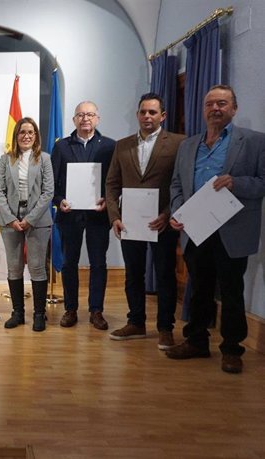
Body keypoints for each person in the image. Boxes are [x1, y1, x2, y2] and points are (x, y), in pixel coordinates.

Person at [167, 85, 265, 374]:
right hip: (196, 228)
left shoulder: (255, 142)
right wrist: (177, 211)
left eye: (222, 103)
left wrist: (238, 183)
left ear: (234, 108)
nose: (215, 109)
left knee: (232, 290)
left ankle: (232, 349)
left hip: (232, 229)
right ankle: (196, 341)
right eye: (210, 103)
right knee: (199, 287)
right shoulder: (188, 145)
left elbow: (262, 182)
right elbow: (176, 184)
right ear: (203, 109)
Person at [105, 93, 185, 349]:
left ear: (162, 115)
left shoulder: (177, 143)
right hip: (130, 223)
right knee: (133, 274)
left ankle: (165, 328)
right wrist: (115, 217)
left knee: (164, 274)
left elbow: (181, 184)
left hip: (162, 222)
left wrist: (168, 213)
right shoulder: (122, 145)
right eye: (143, 112)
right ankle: (136, 322)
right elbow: (112, 183)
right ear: (137, 114)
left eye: (152, 112)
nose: (147, 116)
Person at [51, 101, 116, 330]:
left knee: (99, 263)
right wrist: (59, 201)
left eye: (90, 114)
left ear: (97, 118)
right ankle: (70, 309)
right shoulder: (62, 147)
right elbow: (52, 183)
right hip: (70, 215)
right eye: (80, 115)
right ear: (74, 120)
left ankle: (96, 311)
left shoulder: (110, 146)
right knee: (69, 264)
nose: (85, 118)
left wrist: (107, 203)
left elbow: (114, 182)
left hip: (99, 215)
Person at [0, 117, 54, 331]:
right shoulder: (5, 159)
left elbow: (48, 192)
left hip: (37, 220)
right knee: (14, 267)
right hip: (10, 220)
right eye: (22, 132)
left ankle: (39, 314)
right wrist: (11, 218)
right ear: (16, 135)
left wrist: (30, 219)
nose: (26, 136)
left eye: (30, 132)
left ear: (36, 136)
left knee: (38, 267)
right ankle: (18, 313)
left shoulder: (44, 159)